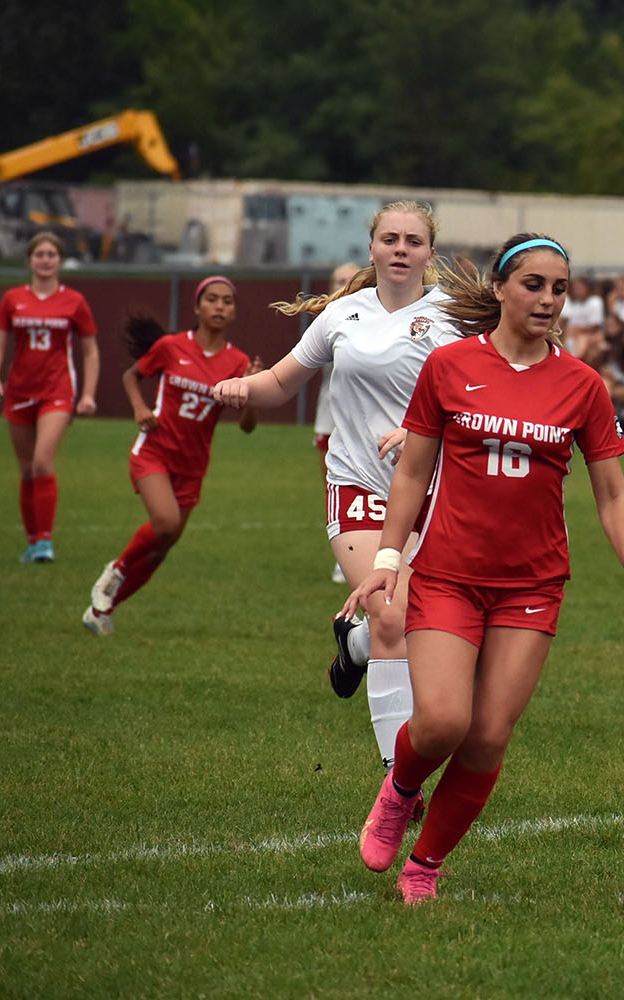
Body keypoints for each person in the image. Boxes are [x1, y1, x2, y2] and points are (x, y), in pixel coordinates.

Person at [347, 233, 624, 905]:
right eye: (534, 285)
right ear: (500, 288)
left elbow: (612, 492)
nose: (548, 299)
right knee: (441, 722)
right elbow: (412, 470)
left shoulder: (582, 384)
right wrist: (385, 558)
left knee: (488, 736)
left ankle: (424, 866)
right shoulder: (450, 366)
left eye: (559, 288)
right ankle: (400, 791)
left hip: (531, 584)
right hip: (448, 575)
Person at [210, 202, 460, 775]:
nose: (401, 249)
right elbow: (279, 381)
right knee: (393, 614)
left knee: (426, 628)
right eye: (390, 239)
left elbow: (478, 391)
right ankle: (401, 780)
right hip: (357, 485)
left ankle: (357, 645)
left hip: (434, 491)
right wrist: (240, 388)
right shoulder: (341, 316)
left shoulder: (453, 318)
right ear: (371, 249)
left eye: (414, 241)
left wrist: (421, 427)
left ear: (429, 254)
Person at [82, 276, 260, 635]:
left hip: (192, 466)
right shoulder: (170, 346)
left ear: (234, 311)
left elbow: (247, 426)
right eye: (212, 299)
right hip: (154, 452)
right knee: (164, 523)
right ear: (197, 307)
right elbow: (132, 376)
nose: (220, 306)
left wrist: (252, 388)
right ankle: (115, 571)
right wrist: (138, 409)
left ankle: (101, 611)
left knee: (161, 549)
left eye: (227, 301)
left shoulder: (238, 362)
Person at [0, 231, 99, 563]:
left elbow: (90, 351)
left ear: (60, 261)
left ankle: (46, 542)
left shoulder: (74, 301)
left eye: (51, 254)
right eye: (40, 254)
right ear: (29, 260)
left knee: (42, 462)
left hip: (57, 391)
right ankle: (33, 541)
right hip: (19, 390)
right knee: (26, 470)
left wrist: (88, 394)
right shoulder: (12, 298)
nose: (46, 260)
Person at [316, 262, 362, 583]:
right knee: (333, 484)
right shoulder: (328, 318)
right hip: (328, 415)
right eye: (338, 280)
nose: (343, 284)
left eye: (350, 279)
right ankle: (343, 554)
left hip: (362, 420)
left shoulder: (368, 317)